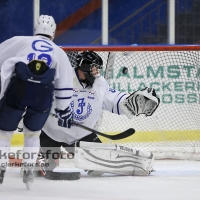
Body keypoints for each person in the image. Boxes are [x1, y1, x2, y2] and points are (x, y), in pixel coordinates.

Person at [35, 50, 160, 178]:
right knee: (40, 168)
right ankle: (37, 155)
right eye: (94, 69)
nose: (96, 73)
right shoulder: (62, 78)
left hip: (80, 135)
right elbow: (38, 98)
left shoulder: (99, 83)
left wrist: (130, 103)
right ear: (85, 67)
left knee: (97, 170)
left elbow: (113, 99)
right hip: (51, 133)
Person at [0, 15, 74, 188]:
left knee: (4, 133)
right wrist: (63, 108)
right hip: (43, 96)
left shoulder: (20, 41)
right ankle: (28, 170)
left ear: (35, 30)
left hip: (18, 90)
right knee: (33, 134)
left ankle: (1, 166)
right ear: (53, 33)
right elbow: (64, 83)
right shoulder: (59, 52)